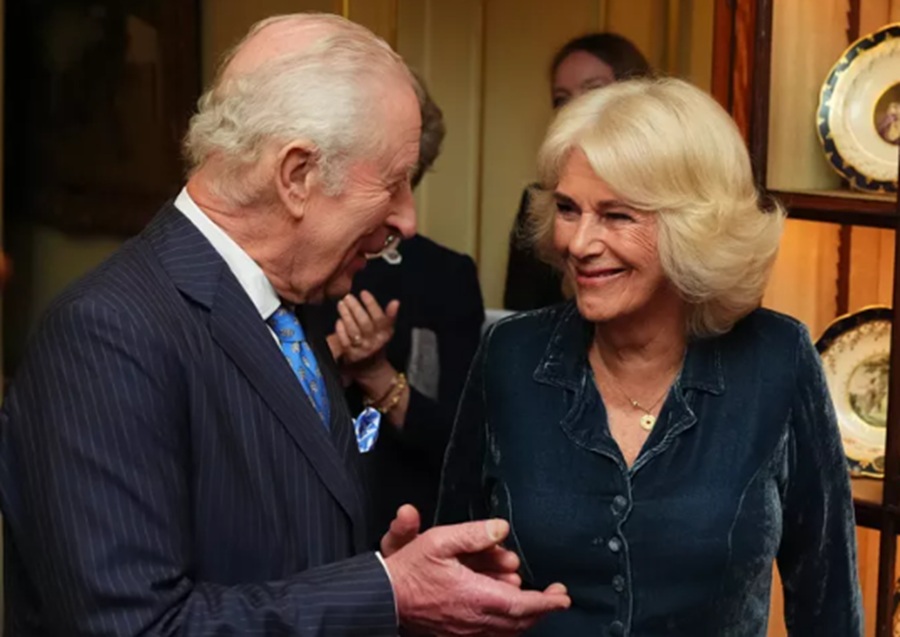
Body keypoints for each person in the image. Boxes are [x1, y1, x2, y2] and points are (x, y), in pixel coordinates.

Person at [0, 13, 570, 636]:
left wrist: (393, 573)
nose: (407, 220)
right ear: (297, 175)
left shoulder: (289, 310)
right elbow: (137, 626)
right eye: (393, 184)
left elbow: (279, 557)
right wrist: (386, 592)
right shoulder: (108, 333)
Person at [437, 77, 863, 635]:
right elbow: (454, 584)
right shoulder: (511, 355)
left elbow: (827, 604)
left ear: (695, 227)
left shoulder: (776, 360)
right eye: (567, 208)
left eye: (617, 215)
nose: (579, 243)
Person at [322, 73, 485, 546]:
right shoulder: (302, 265)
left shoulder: (446, 274)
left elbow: (463, 441)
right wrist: (332, 358)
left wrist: (376, 374)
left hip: (409, 518)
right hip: (305, 515)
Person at [503, 32, 651, 311]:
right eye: (561, 99)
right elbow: (522, 309)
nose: (576, 108)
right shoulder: (537, 203)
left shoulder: (661, 194)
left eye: (593, 91)